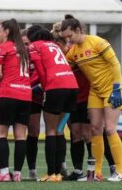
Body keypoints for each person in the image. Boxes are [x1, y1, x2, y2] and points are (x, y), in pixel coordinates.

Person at [62, 16, 122, 182]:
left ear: (78, 30)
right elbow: (63, 67)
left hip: (112, 89)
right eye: (65, 38)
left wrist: (117, 89)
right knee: (95, 130)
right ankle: (97, 173)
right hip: (95, 92)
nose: (68, 40)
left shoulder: (98, 42)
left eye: (70, 36)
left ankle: (120, 172)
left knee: (110, 129)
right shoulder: (74, 51)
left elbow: (115, 64)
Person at [27, 25, 78, 182]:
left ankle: (51, 173)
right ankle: (59, 173)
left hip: (56, 87)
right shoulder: (54, 45)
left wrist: (45, 86)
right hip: (72, 87)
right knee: (60, 130)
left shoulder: (35, 46)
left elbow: (41, 70)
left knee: (50, 130)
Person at [0, 19, 32, 182]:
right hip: (25, 96)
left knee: (1, 134)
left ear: (6, 32)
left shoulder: (2, 48)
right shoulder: (23, 49)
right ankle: (17, 174)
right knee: (20, 136)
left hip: (8, 94)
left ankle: (4, 173)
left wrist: (7, 81)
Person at [22, 29, 42, 180]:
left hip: (34, 99)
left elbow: (41, 77)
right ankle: (14, 170)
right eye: (22, 44)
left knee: (33, 133)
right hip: (18, 98)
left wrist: (30, 88)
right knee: (19, 135)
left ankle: (32, 170)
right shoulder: (15, 57)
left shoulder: (37, 56)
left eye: (27, 43)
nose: (26, 47)